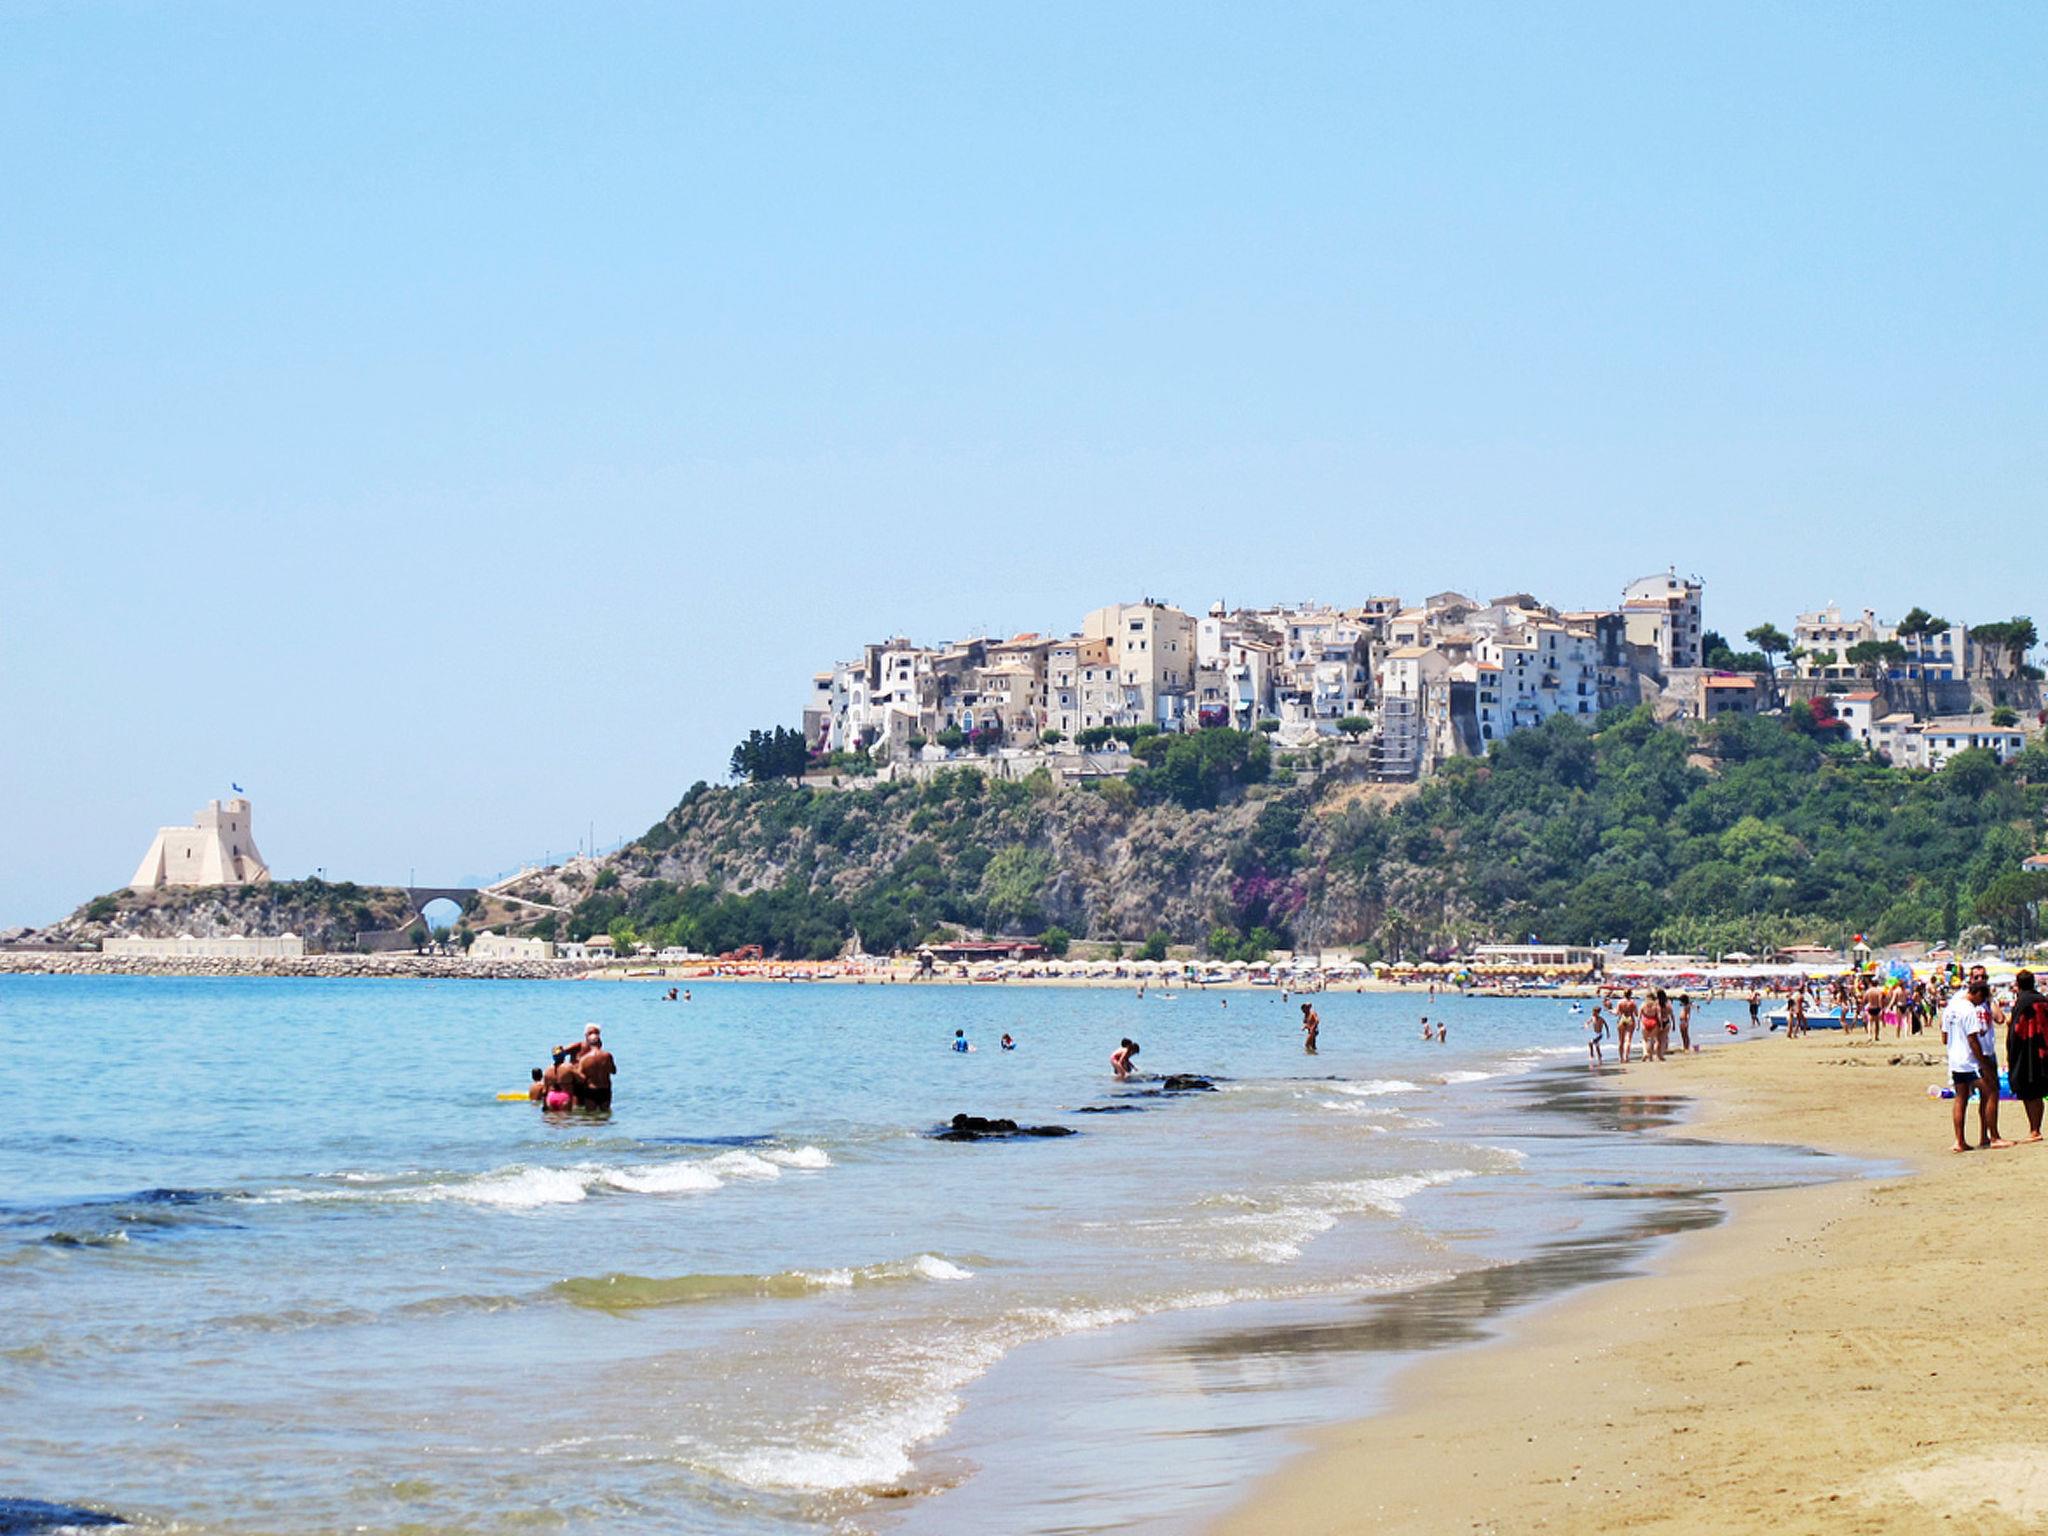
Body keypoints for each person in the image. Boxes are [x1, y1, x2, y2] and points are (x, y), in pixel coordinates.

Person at [1942, 976, 2011, 1152]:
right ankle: (1993, 1137)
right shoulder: (1969, 1010)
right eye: (1982, 999)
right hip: (1971, 1062)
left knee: (1961, 1098)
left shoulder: (1950, 1008)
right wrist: (1983, 1062)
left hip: (1955, 1061)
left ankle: (1960, 1141)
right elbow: (1972, 1040)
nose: (1981, 1003)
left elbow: (1944, 1037)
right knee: (1991, 1092)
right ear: (1977, 994)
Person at [2006, 970, 2047, 1143]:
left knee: (2029, 1091)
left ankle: (2034, 1130)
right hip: (2043, 1051)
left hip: (2026, 1052)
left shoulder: (2022, 1002)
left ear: (2018, 984)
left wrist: (2011, 1053)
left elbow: (2017, 1030)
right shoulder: (2042, 1000)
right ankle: (2036, 1128)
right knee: (2038, 1091)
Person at [577, 1027, 617, 1109]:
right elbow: (613, 1071)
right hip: (605, 1089)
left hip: (590, 1089)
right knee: (605, 1113)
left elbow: (580, 1078)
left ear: (589, 1043)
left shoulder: (584, 1059)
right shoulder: (607, 1056)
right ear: (600, 1043)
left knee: (591, 1114)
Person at [540, 1046, 578, 1112]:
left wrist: (544, 1105)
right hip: (565, 1095)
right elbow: (582, 1079)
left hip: (551, 1097)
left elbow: (544, 1091)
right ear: (563, 1055)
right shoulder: (569, 1067)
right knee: (565, 1117)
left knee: (552, 1117)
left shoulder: (547, 1070)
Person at [1615, 992, 1638, 1063]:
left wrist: (1611, 1011)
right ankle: (1626, 1057)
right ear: (1630, 994)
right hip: (1630, 1018)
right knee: (1628, 1039)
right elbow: (1636, 1014)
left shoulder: (1620, 1002)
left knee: (1621, 1040)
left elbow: (1617, 1013)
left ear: (1624, 994)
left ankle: (1621, 1058)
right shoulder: (1632, 1003)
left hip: (1622, 1018)